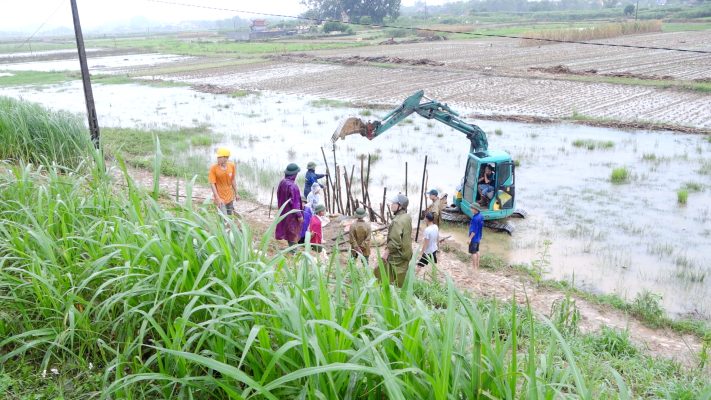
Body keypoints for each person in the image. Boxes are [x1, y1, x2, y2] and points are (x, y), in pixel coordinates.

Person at [376, 193, 412, 287]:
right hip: (407, 252)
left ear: (400, 206)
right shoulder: (407, 217)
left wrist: (385, 253)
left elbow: (395, 242)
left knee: (391, 277)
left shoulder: (397, 221)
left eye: (394, 203)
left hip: (399, 255)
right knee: (401, 275)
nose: (392, 205)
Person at [276, 163, 303, 247]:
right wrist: (299, 215)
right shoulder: (293, 186)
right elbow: (295, 202)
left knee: (287, 230)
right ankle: (293, 251)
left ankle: (291, 248)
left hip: (284, 211)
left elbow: (278, 195)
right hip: (291, 214)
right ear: (294, 174)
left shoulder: (282, 182)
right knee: (293, 232)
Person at [208, 147, 239, 215]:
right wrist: (217, 198)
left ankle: (229, 225)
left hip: (230, 196)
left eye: (220, 157)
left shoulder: (231, 166)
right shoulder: (213, 168)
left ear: (226, 158)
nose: (217, 159)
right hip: (220, 197)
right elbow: (212, 183)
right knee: (223, 217)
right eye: (217, 157)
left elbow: (233, 179)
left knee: (229, 215)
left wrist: (236, 193)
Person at [468, 203, 484, 271]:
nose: (471, 209)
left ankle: (474, 267)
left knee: (473, 253)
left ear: (475, 209)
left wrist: (469, 239)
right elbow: (480, 227)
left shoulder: (475, 218)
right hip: (478, 237)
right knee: (477, 251)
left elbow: (474, 231)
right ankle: (477, 265)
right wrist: (480, 237)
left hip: (474, 238)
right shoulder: (480, 216)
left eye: (472, 208)